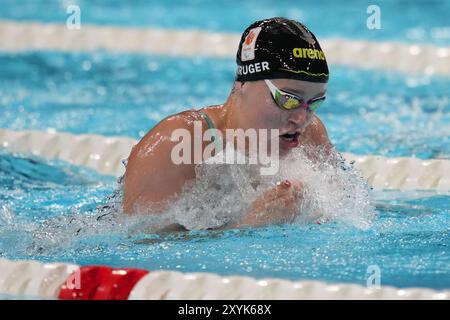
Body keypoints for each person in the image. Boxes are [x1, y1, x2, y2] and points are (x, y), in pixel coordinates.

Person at [123, 17, 332, 228]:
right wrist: (248, 225)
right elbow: (142, 245)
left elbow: (348, 207)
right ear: (242, 84)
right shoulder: (176, 143)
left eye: (314, 103)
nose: (302, 119)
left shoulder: (310, 135)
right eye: (288, 99)